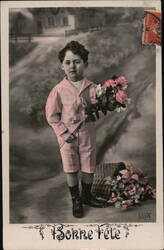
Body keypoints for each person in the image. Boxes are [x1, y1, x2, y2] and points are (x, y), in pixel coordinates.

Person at [45, 40, 105, 218]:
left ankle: (87, 195)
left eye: (77, 62)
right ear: (62, 66)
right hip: (67, 136)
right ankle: (76, 200)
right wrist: (63, 133)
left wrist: (107, 100)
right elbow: (52, 115)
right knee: (71, 168)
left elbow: (100, 105)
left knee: (88, 165)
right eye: (68, 62)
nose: (73, 66)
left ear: (85, 64)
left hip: (87, 133)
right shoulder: (58, 90)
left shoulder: (93, 88)